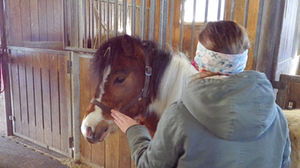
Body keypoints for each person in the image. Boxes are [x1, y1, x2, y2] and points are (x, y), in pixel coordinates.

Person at [111, 20, 291, 168]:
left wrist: (134, 131)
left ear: (201, 62)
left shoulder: (179, 114)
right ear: (241, 61)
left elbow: (149, 166)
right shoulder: (276, 115)